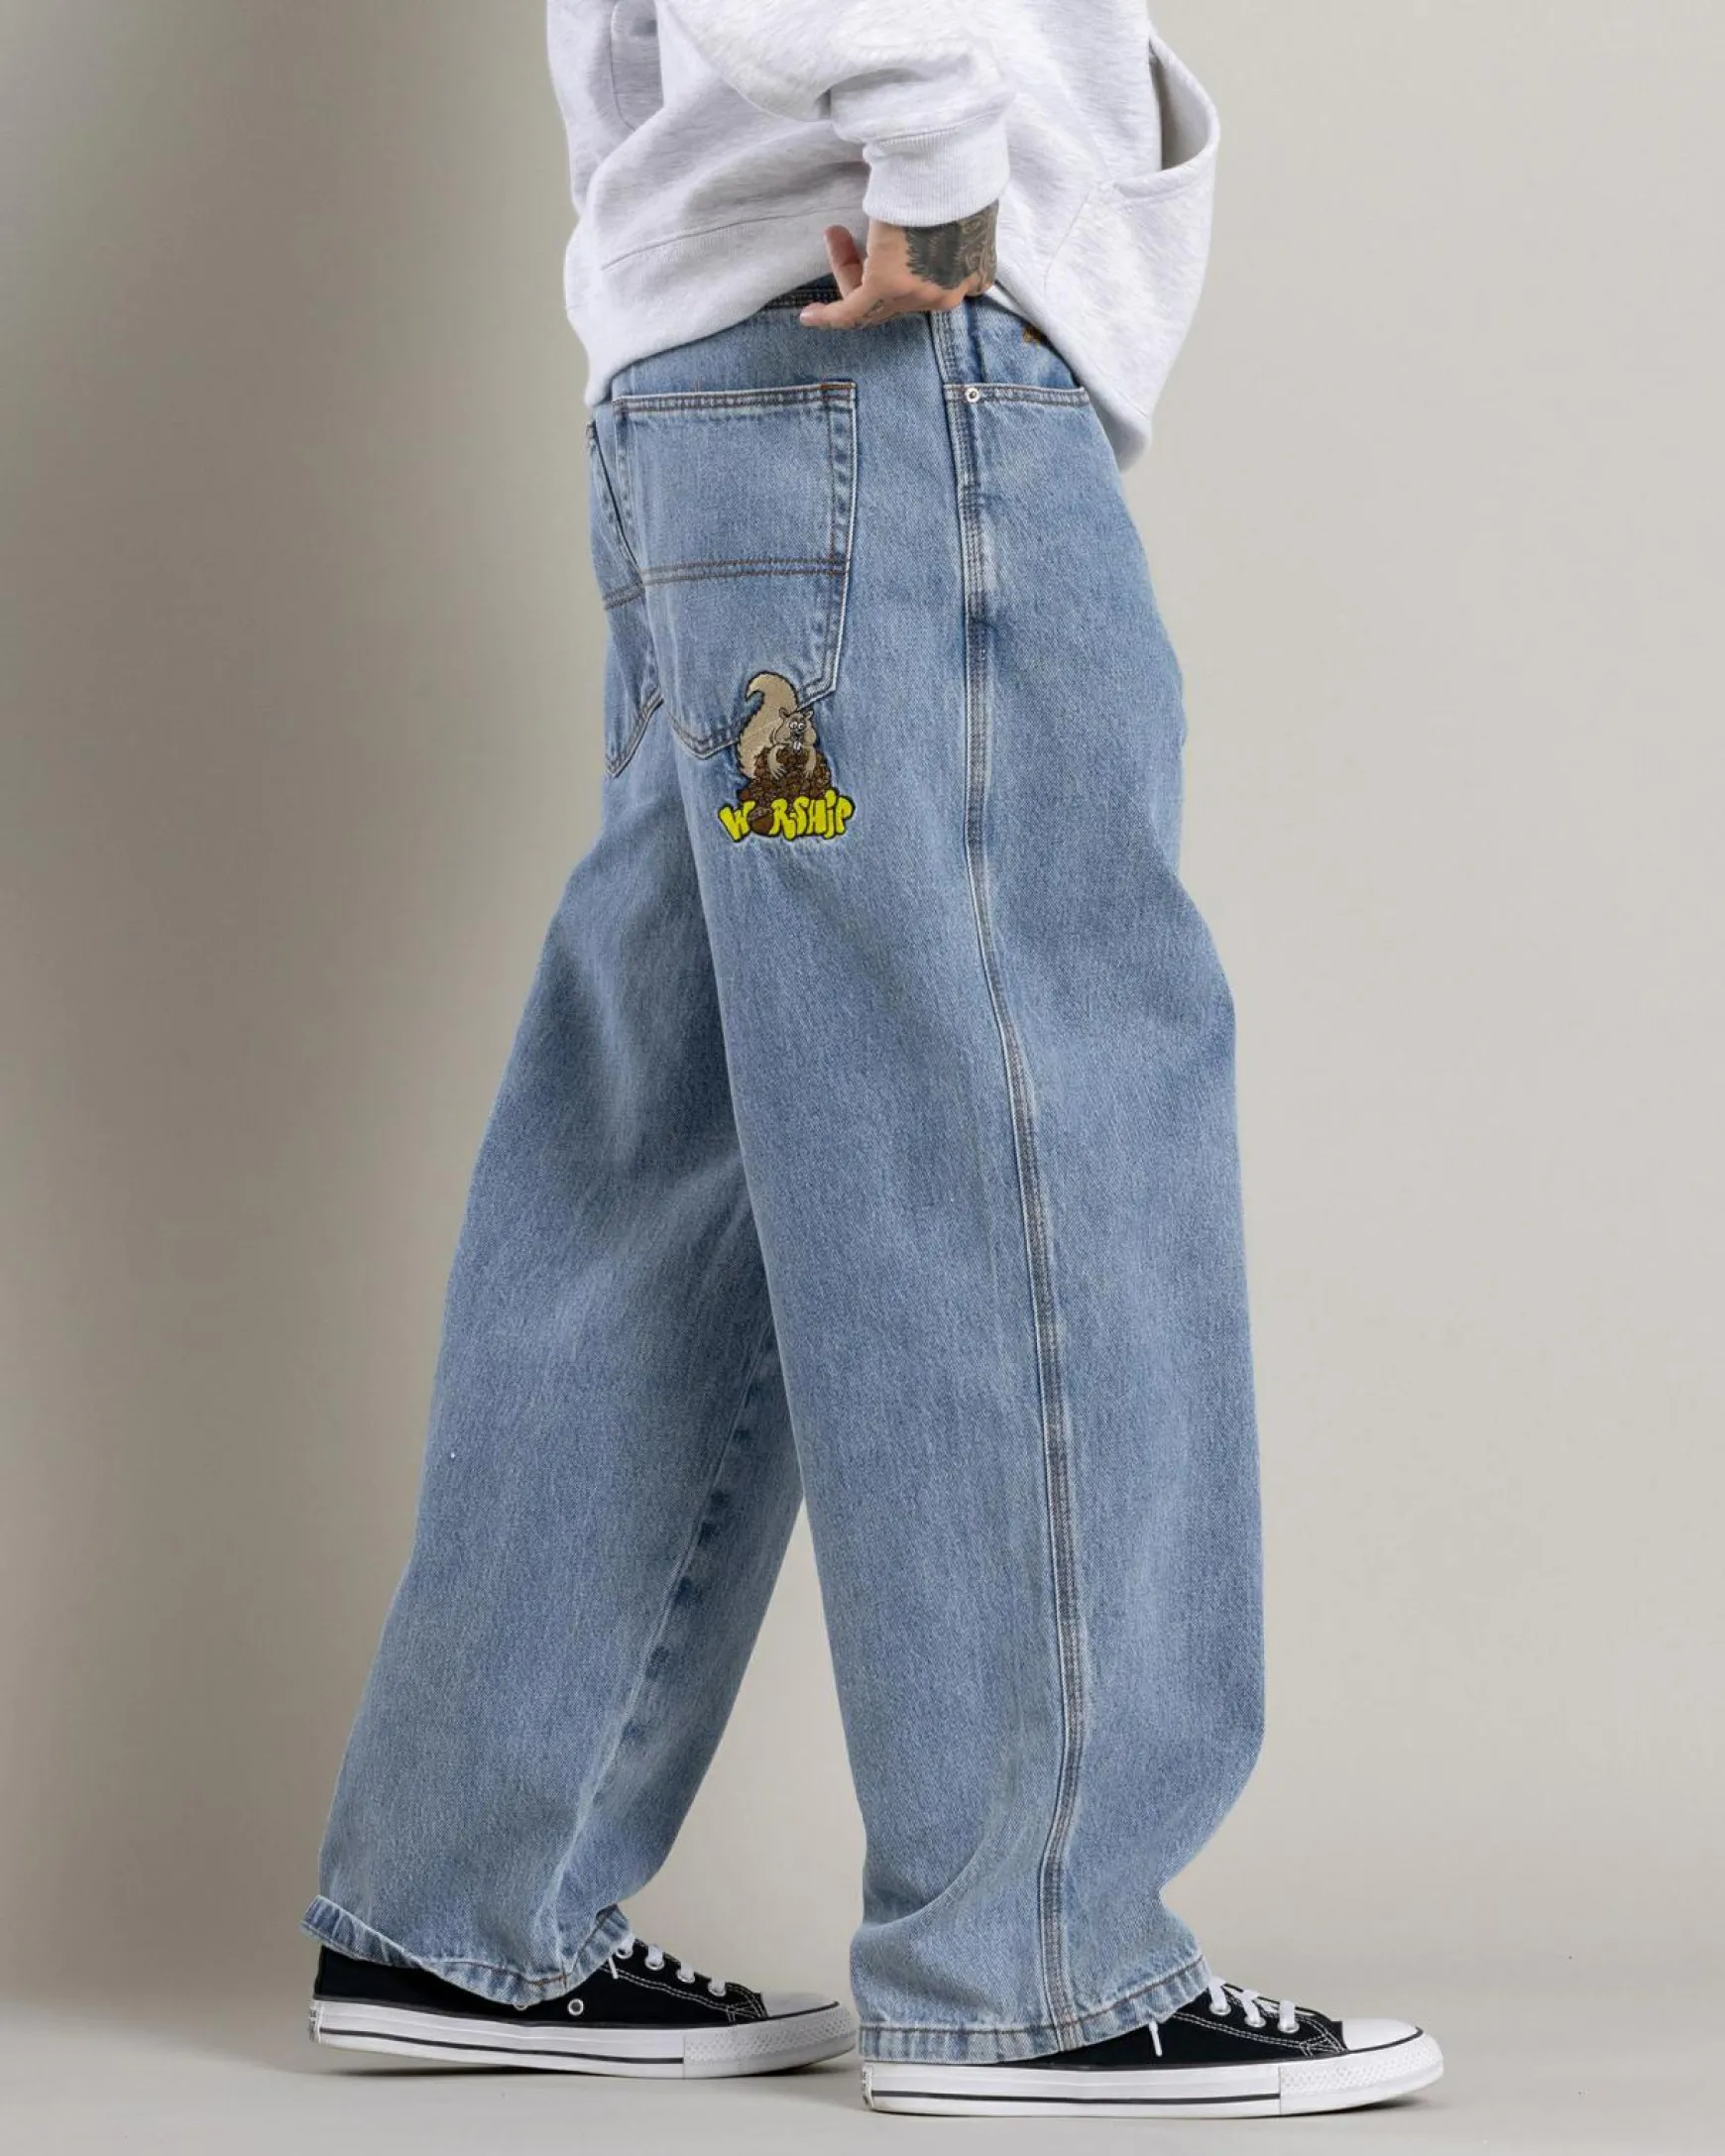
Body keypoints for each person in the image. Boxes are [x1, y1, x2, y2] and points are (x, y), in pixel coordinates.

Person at [302, 1, 1442, 2119]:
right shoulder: (904, 232)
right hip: (881, 371)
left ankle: (461, 1901)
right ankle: (1035, 1954)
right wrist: (936, 157)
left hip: (724, 404)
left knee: (683, 1168)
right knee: (1022, 1120)